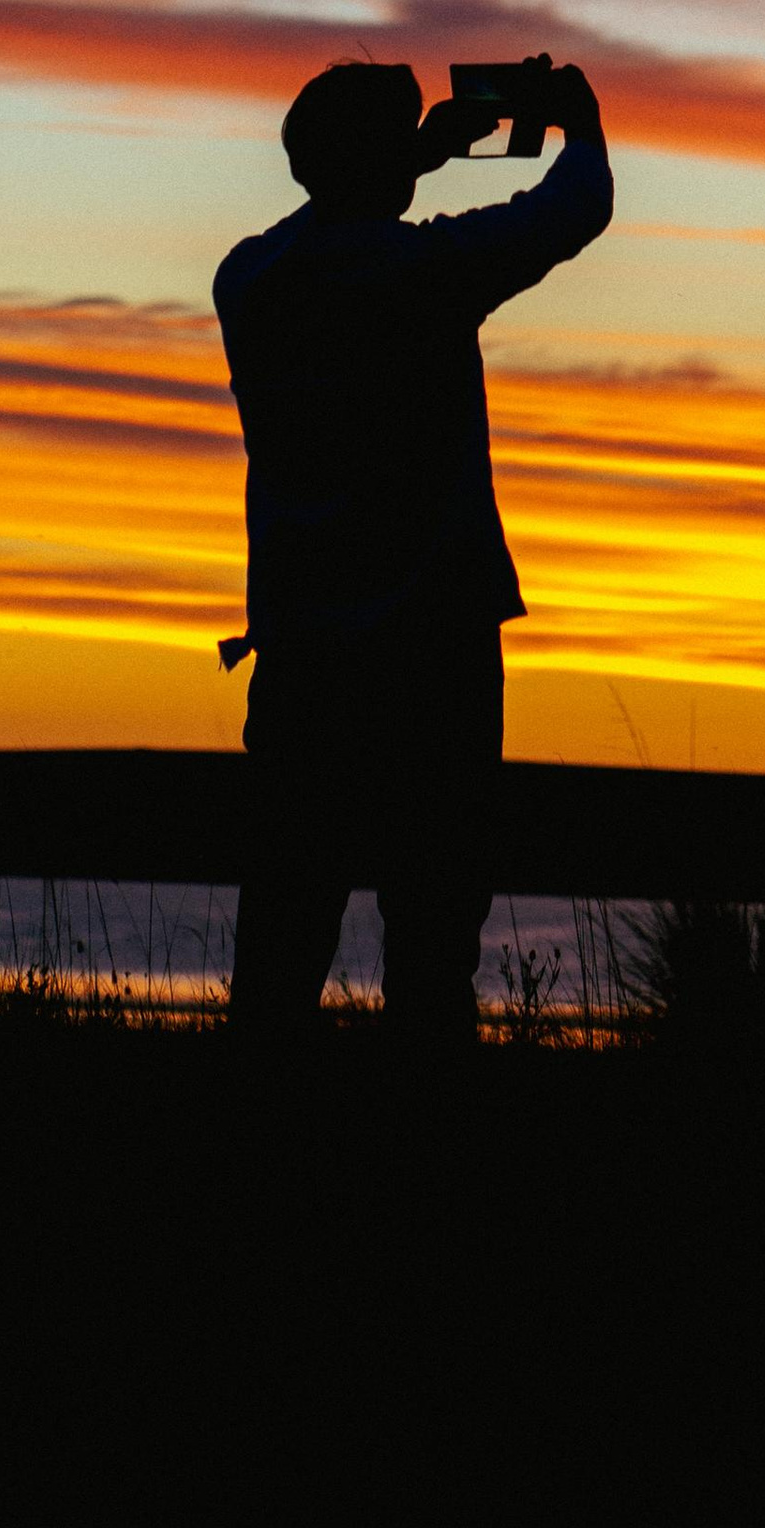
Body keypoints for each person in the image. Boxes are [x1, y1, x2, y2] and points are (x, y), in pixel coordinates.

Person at [213, 50, 612, 1039]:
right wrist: (580, 121)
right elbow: (574, 210)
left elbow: (337, 217)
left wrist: (402, 165)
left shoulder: (251, 280)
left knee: (283, 936)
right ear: (382, 160)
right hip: (432, 653)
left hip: (305, 655)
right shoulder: (428, 273)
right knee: (433, 943)